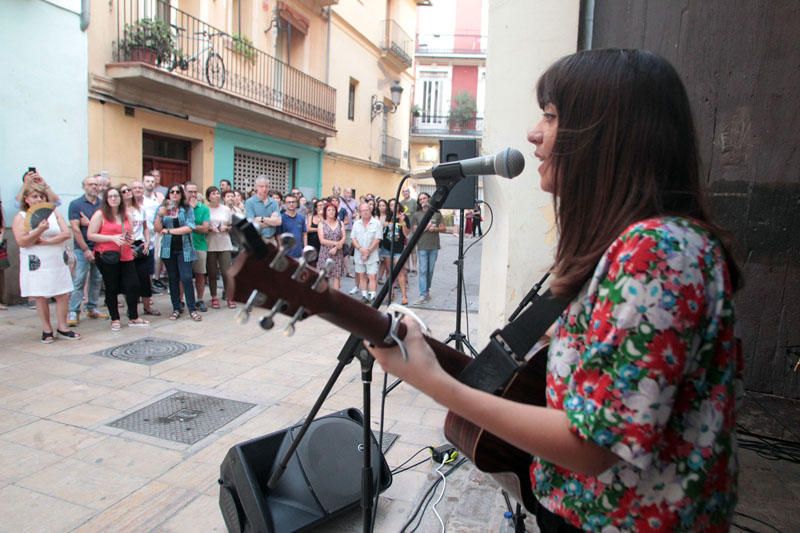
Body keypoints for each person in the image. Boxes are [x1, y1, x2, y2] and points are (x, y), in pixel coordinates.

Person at [366, 49, 741, 532]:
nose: (534, 133)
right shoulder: (626, 246)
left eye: (551, 115)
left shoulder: (655, 251)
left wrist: (432, 382)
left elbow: (590, 446)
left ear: (605, 134)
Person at [12, 184, 81, 342]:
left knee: (62, 293)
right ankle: (47, 329)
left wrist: (46, 242)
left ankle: (63, 327)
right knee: (40, 295)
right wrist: (38, 230)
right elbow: (22, 241)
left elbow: (66, 234)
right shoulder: (21, 216)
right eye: (35, 196)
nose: (39, 199)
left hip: (56, 258)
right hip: (36, 261)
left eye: (41, 196)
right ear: (27, 199)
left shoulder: (53, 212)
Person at [87, 186, 148, 330]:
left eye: (116, 196)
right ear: (106, 199)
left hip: (125, 254)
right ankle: (115, 318)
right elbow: (91, 235)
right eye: (111, 196)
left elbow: (130, 234)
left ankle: (133, 316)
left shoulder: (126, 214)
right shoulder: (100, 214)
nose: (114, 198)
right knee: (112, 287)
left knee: (133, 285)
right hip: (107, 256)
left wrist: (130, 239)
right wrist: (112, 238)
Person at [154, 185, 201, 321]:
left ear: (181, 195)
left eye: (177, 192)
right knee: (173, 279)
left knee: (186, 278)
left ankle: (192, 309)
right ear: (169, 194)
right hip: (168, 249)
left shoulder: (187, 209)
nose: (174, 194)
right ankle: (176, 308)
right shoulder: (162, 209)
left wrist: (168, 231)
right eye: (172, 192)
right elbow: (157, 228)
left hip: (184, 248)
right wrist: (160, 215)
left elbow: (189, 227)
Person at [67, 174, 107, 326]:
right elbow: (76, 229)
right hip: (82, 248)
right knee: (79, 280)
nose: (94, 187)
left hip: (100, 248)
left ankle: (92, 308)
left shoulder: (103, 204)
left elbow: (106, 226)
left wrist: (89, 223)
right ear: (84, 186)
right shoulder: (76, 204)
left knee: (97, 279)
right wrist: (85, 249)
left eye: (96, 184)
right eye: (90, 184)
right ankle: (73, 311)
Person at [124, 182, 159, 316]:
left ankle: (147, 307)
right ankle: (131, 308)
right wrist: (127, 247)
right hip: (126, 246)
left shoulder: (140, 209)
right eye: (127, 190)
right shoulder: (120, 211)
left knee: (145, 278)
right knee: (130, 281)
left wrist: (147, 241)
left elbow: (145, 227)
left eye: (130, 190)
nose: (129, 192)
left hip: (141, 245)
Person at [411, 192, 445, 304]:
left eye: (424, 198)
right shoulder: (417, 214)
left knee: (430, 271)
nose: (422, 201)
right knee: (423, 271)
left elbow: (443, 228)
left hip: (434, 246)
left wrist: (434, 229)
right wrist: (427, 227)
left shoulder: (437, 213)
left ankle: (427, 291)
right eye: (420, 199)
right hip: (422, 246)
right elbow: (416, 230)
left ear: (429, 199)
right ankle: (423, 294)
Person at [205, 186, 236, 309]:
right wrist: (209, 228)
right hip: (210, 243)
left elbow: (232, 227)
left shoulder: (226, 209)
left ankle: (229, 296)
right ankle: (213, 297)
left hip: (224, 243)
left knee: (226, 272)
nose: (216, 195)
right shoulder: (205, 209)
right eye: (213, 193)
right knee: (212, 272)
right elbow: (201, 225)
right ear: (208, 197)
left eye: (218, 193)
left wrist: (226, 228)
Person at [185, 182, 210, 312]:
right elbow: (179, 225)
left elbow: (205, 228)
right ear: (185, 192)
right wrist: (189, 209)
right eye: (190, 191)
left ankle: (200, 300)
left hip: (200, 245)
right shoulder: (182, 207)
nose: (193, 194)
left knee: (200, 274)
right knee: (184, 275)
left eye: (195, 191)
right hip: (184, 246)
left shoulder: (204, 208)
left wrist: (190, 227)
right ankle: (181, 300)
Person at [350, 202, 382, 303]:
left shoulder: (377, 223)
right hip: (359, 254)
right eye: (362, 210)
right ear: (360, 212)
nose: (365, 212)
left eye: (367, 210)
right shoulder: (356, 223)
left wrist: (368, 251)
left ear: (370, 210)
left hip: (372, 255)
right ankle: (364, 296)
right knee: (361, 275)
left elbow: (377, 239)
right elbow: (353, 238)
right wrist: (360, 249)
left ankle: (372, 296)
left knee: (372, 276)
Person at [381, 198, 411, 304]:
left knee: (400, 271)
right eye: (391, 205)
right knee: (389, 272)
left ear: (399, 206)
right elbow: (384, 231)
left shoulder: (404, 217)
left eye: (395, 204)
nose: (393, 206)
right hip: (387, 247)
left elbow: (407, 233)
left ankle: (404, 296)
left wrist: (402, 222)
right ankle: (391, 293)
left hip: (398, 248)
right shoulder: (388, 217)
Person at [142, 173, 165, 291]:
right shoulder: (140, 197)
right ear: (143, 183)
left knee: (156, 259)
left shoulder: (158, 196)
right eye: (147, 181)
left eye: (152, 181)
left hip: (156, 232)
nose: (150, 183)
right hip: (143, 233)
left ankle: (153, 282)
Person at [316, 202, 346, 291]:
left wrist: (336, 247)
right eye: (329, 210)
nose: (331, 212)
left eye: (333, 210)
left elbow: (343, 237)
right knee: (324, 277)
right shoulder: (321, 224)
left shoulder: (340, 223)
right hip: (325, 253)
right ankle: (325, 298)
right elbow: (322, 240)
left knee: (336, 277)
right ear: (325, 212)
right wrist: (336, 243)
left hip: (338, 253)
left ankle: (335, 299)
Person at [244, 176, 282, 242]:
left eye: (266, 186)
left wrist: (262, 219)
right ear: (256, 187)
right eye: (261, 186)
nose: (264, 189)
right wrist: (271, 221)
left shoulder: (274, 202)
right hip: (257, 239)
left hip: (272, 239)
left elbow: (278, 222)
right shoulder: (250, 202)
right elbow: (252, 224)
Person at [278, 194, 306, 258]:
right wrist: (281, 251)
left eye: (293, 202)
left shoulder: (301, 218)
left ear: (296, 203)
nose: (291, 204)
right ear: (285, 204)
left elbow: (304, 234)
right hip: (286, 253)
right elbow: (279, 236)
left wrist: (305, 249)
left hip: (299, 253)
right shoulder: (281, 218)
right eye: (289, 202)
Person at [400, 187, 418, 273]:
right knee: (405, 248)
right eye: (403, 192)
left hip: (412, 228)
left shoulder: (414, 202)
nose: (405, 193)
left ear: (409, 192)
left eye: (406, 191)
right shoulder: (401, 203)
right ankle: (407, 266)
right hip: (404, 228)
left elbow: (417, 214)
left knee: (413, 248)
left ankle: (414, 267)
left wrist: (416, 224)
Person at [306, 199, 324, 265]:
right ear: (316, 208)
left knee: (320, 263)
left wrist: (320, 216)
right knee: (311, 262)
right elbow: (308, 229)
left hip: (321, 243)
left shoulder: (326, 217)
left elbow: (325, 227)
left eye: (323, 205)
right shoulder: (311, 216)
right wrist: (319, 229)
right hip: (312, 241)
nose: (322, 206)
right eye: (320, 205)